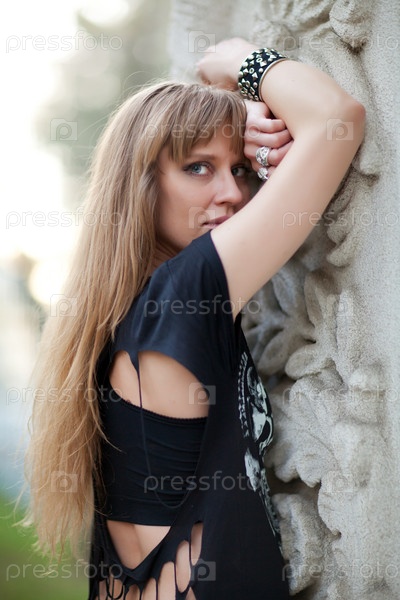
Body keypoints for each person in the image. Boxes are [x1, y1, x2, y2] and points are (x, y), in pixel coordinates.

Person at [25, 37, 365, 600]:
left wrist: (229, 103)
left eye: (241, 169)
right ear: (140, 186)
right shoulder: (183, 294)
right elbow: (336, 119)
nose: (232, 193)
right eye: (199, 168)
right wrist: (238, 60)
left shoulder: (142, 314)